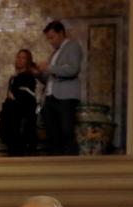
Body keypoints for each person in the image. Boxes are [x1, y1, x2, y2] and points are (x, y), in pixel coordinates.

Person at [34, 21, 83, 156]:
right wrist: (38, 74)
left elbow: (73, 70)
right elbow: (50, 79)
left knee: (67, 131)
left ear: (61, 33)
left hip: (65, 97)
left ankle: (72, 167)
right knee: (52, 134)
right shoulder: (55, 53)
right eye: (48, 38)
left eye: (52, 37)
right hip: (50, 98)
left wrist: (48, 67)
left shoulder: (73, 47)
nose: (50, 41)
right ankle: (56, 166)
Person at [0, 49, 39, 156]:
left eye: (23, 58)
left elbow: (27, 101)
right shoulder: (14, 78)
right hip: (11, 121)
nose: (19, 59)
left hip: (21, 123)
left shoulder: (29, 78)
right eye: (18, 57)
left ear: (28, 61)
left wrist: (14, 98)